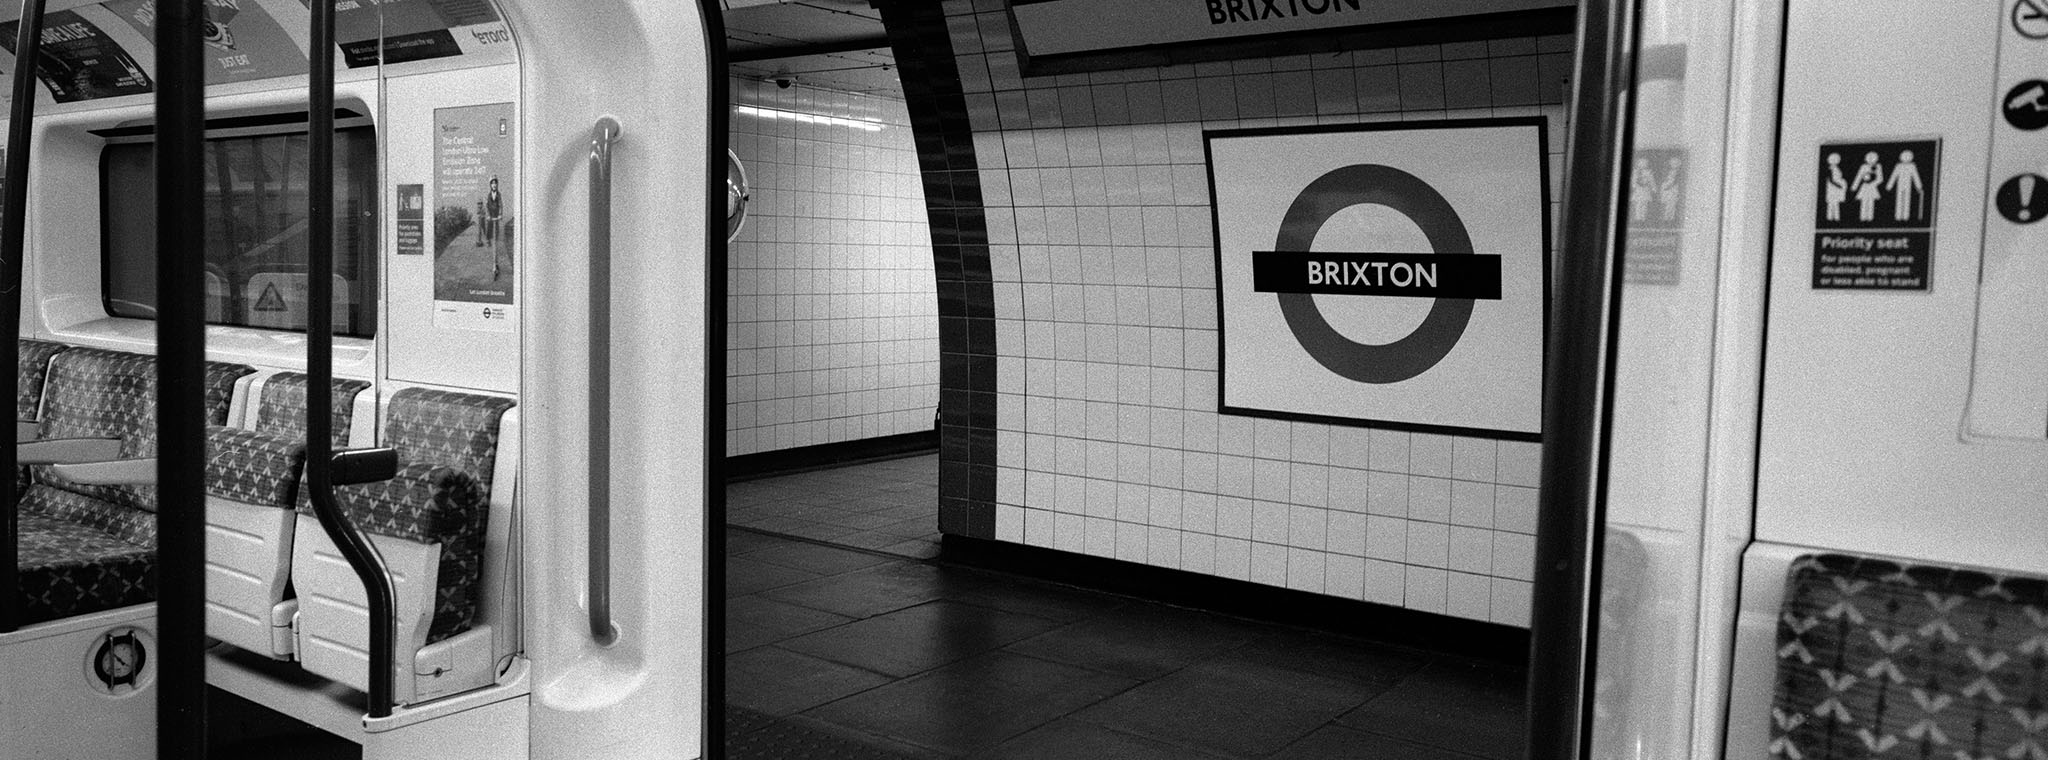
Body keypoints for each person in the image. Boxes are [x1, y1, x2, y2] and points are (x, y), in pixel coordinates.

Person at [1886, 150, 1924, 223]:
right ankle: (1898, 216)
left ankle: (1905, 216)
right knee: (1899, 199)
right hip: (1900, 185)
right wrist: (1889, 185)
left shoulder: (1912, 166)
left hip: (1907, 185)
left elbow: (1915, 176)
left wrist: (1919, 186)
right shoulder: (1898, 166)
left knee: (1906, 199)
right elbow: (1894, 175)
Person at [1851, 151, 1884, 222]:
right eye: (1869, 158)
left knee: (1871, 202)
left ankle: (1870, 217)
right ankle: (1863, 217)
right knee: (1864, 201)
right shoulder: (1863, 167)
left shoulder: (1878, 167)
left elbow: (1880, 179)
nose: (1871, 160)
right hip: (1865, 186)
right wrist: (1854, 186)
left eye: (1873, 158)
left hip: (1872, 187)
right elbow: (1859, 176)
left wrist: (1873, 183)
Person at [1823, 152, 1847, 222]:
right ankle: (1830, 218)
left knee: (1835, 203)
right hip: (1833, 188)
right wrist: (1839, 185)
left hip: (1835, 188)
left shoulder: (1835, 168)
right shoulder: (1831, 169)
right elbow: (1831, 179)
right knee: (1832, 203)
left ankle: (1835, 218)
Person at [484, 177, 504, 249]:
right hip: (490, 214)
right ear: (490, 185)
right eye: (492, 183)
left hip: (496, 214)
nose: (494, 185)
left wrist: (500, 214)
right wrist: (488, 215)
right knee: (489, 226)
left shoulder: (499, 194)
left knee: (496, 229)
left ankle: (496, 241)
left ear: (497, 184)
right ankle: (488, 240)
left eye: (495, 183)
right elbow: (486, 206)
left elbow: (500, 205)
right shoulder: (488, 195)